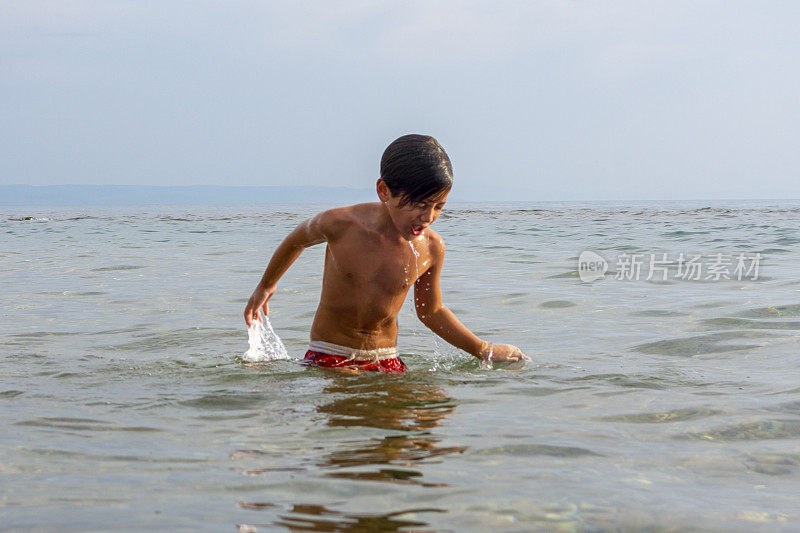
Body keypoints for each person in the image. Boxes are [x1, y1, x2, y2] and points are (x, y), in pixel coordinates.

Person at [244, 134, 528, 373]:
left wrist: (483, 350)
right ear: (384, 191)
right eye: (418, 204)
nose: (428, 216)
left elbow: (431, 312)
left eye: (438, 206)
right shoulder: (341, 224)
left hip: (388, 360)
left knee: (430, 423)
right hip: (329, 356)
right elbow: (296, 240)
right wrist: (267, 285)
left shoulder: (431, 248)